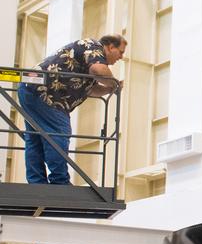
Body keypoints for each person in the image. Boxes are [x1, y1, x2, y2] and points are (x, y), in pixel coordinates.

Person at [20, 34, 126, 185]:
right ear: (110, 47)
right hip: (46, 93)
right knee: (59, 133)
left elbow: (89, 90)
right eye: (120, 52)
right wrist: (114, 83)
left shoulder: (86, 60)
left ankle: (36, 182)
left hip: (31, 89)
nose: (120, 57)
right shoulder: (94, 47)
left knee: (35, 138)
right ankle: (60, 181)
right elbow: (99, 70)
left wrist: (108, 90)